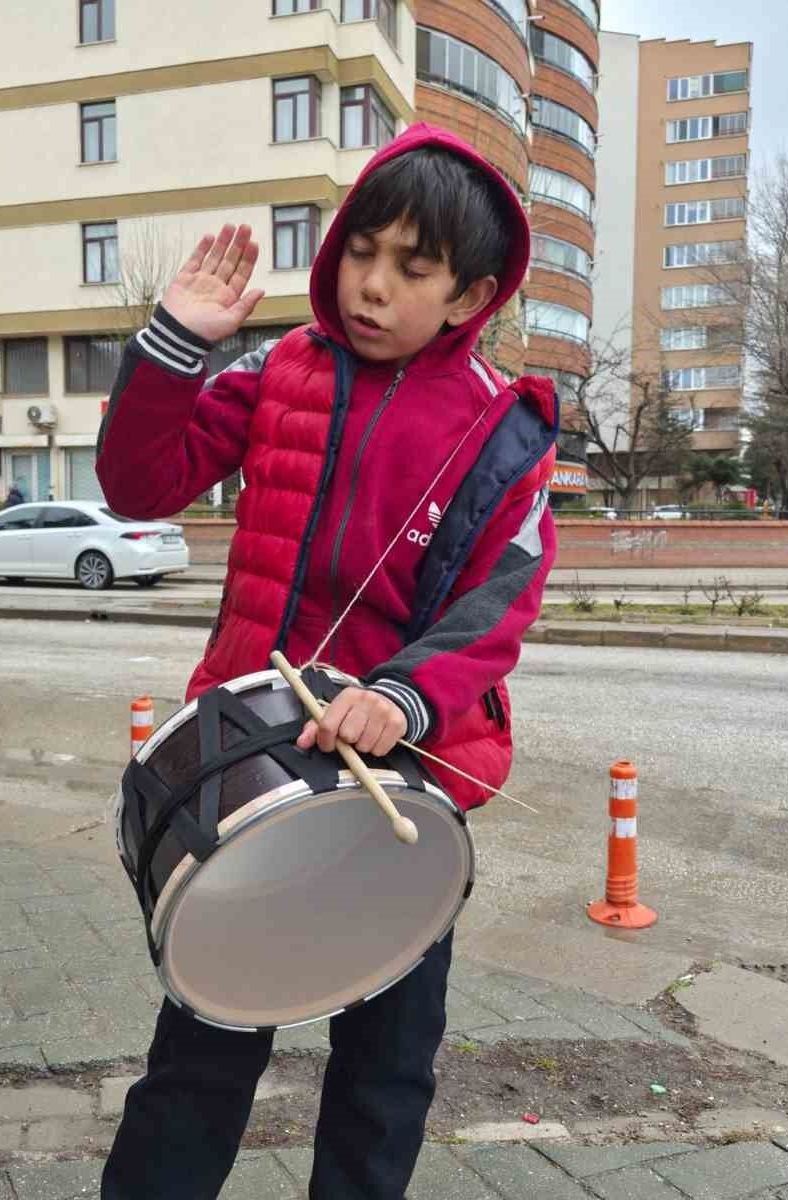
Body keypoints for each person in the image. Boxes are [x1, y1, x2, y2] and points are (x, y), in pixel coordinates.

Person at [94, 124, 557, 1200]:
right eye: (361, 249)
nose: (371, 284)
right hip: (255, 766)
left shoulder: (504, 429)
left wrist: (400, 698)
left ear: (467, 294)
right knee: (201, 1055)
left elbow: (500, 604)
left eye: (411, 267)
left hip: (400, 780)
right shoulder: (279, 372)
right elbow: (137, 484)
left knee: (387, 1071)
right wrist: (175, 344)